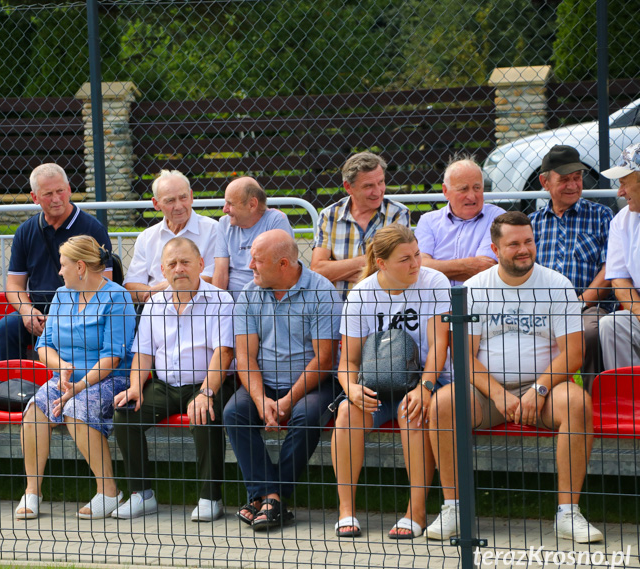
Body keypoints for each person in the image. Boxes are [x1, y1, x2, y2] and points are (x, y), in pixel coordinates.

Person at [426, 212, 602, 543]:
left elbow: (574, 354)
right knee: (443, 404)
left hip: (547, 390)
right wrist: (497, 394)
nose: (524, 250)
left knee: (578, 403)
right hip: (488, 394)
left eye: (528, 241)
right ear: (495, 248)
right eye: (514, 244)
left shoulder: (557, 285)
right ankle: (454, 509)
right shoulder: (475, 288)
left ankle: (569, 513)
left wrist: (539, 388)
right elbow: (462, 356)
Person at [333, 225, 451, 539]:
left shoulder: (434, 282)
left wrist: (425, 387)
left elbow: (440, 343)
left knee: (410, 413)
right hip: (379, 383)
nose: (415, 264)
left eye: (416, 255)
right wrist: (352, 389)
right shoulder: (361, 293)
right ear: (382, 263)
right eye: (405, 259)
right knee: (347, 413)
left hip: (425, 379)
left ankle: (416, 511)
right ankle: (346, 509)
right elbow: (348, 361)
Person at [224, 229, 341, 530]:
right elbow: (245, 357)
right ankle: (272, 497)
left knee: (305, 415)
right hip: (265, 381)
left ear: (284, 264)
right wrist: (262, 399)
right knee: (234, 412)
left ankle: (265, 498)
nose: (250, 266)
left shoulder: (322, 291)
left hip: (314, 382)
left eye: (258, 261)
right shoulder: (250, 293)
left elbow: (324, 359)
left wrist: (288, 401)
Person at [112, 238, 234, 521]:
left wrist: (206, 393)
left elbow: (224, 353)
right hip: (165, 386)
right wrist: (134, 387)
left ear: (201, 265)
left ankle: (209, 498)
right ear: (163, 271)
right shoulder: (154, 305)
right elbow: (143, 353)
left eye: (185, 262)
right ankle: (142, 495)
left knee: (206, 414)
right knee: (125, 414)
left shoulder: (220, 300)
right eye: (172, 264)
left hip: (207, 383)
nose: (179, 269)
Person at [16, 235, 136, 520]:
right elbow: (44, 346)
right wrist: (64, 368)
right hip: (67, 379)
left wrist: (79, 385)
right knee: (35, 410)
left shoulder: (117, 297)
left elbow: (113, 356)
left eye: (63, 265)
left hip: (110, 379)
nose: (59, 271)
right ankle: (32, 491)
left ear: (80, 267)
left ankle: (108, 492)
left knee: (76, 409)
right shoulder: (62, 295)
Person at [0, 163, 112, 361]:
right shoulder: (25, 231)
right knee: (6, 328)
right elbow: (14, 285)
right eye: (48, 194)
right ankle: (12, 387)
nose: (57, 199)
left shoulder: (93, 229)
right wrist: (27, 311)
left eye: (60, 191)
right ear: (34, 198)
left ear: (69, 190)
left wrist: (64, 315)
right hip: (39, 313)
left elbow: (105, 282)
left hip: (82, 313)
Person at [530, 145, 613, 384]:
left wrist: (579, 302)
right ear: (545, 183)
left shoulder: (601, 215)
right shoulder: (532, 223)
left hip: (588, 306)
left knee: (590, 333)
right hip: (541, 308)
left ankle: (590, 402)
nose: (573, 185)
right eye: (564, 179)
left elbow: (610, 269)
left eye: (577, 178)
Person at [312, 152, 410, 295]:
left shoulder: (397, 213)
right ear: (348, 187)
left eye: (381, 182)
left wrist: (340, 271)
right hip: (339, 308)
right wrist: (372, 264)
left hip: (383, 306)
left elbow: (399, 268)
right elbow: (318, 271)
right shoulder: (330, 215)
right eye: (368, 186)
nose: (377, 192)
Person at [123, 170, 219, 303]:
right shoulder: (147, 237)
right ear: (156, 204)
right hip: (156, 310)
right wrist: (156, 297)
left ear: (191, 196)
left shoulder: (213, 230)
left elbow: (213, 278)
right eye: (170, 201)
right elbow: (132, 286)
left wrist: (167, 287)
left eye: (183, 197)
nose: (178, 206)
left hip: (202, 308)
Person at [416, 156, 504, 286]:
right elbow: (419, 267)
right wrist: (467, 265)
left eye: (477, 188)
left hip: (477, 300)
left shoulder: (497, 217)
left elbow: (484, 269)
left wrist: (436, 267)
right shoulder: (428, 221)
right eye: (463, 189)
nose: (471, 196)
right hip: (436, 302)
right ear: (446, 191)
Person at [212, 176, 294, 298]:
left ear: (252, 204)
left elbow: (280, 273)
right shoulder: (225, 224)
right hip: (232, 303)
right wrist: (219, 307)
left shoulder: (275, 220)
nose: (225, 209)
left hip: (266, 300)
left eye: (230, 203)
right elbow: (221, 272)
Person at [599, 143, 640, 370]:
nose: (619, 192)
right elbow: (619, 279)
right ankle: (629, 401)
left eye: (624, 183)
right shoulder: (622, 220)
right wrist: (638, 310)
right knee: (611, 325)